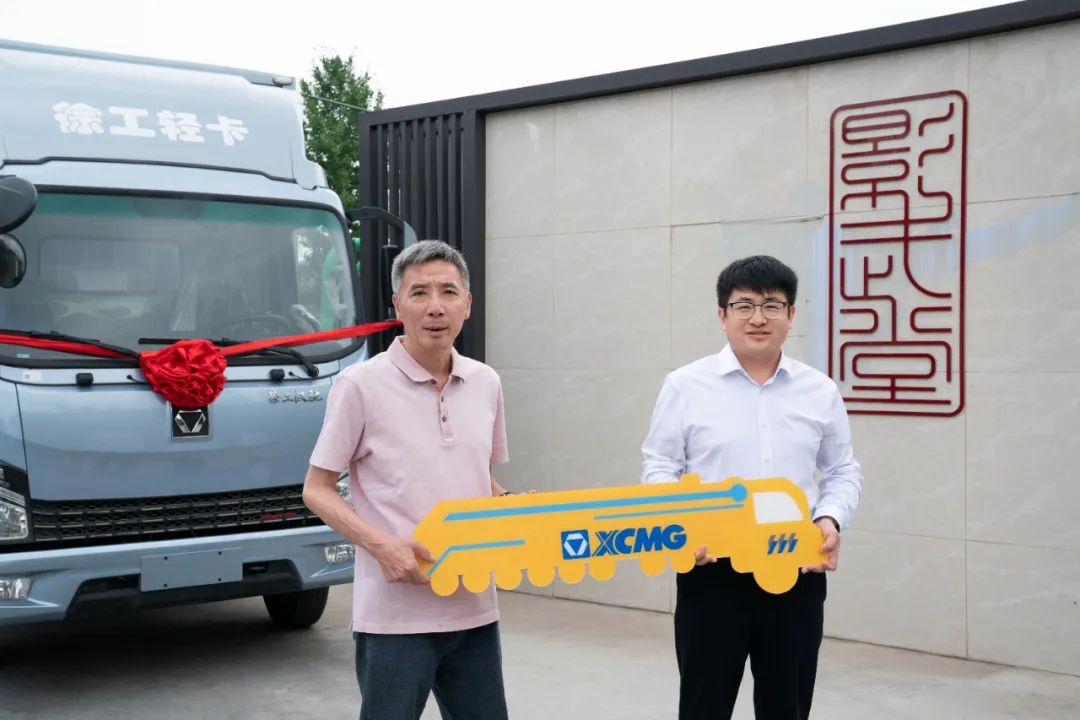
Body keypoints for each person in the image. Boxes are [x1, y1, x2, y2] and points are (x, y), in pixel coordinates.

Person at [641, 255, 862, 720]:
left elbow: (842, 470)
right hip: (711, 573)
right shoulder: (685, 385)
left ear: (791, 315)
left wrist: (830, 518)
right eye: (743, 306)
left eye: (771, 305)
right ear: (722, 316)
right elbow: (660, 465)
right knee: (704, 706)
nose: (758, 318)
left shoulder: (819, 390)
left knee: (788, 707)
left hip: (795, 570)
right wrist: (684, 523)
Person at [303, 240, 512, 720]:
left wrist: (516, 509)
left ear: (467, 304)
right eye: (419, 293)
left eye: (448, 292)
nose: (435, 307)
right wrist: (382, 546)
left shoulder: (486, 383)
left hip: (475, 608)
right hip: (395, 619)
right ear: (397, 306)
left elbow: (480, 477)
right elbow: (316, 488)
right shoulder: (359, 385)